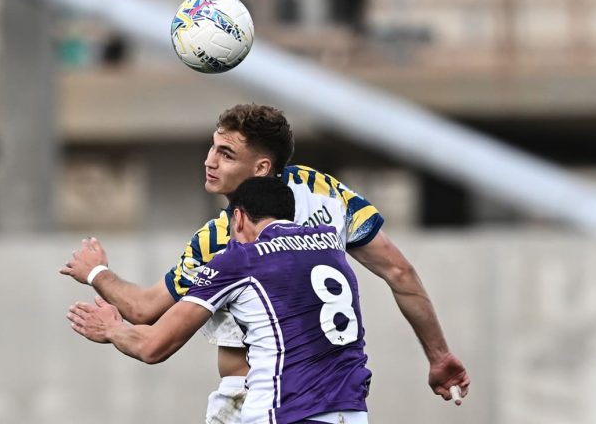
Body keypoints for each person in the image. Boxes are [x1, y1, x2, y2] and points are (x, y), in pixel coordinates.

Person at [61, 103, 469, 423]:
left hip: (263, 399)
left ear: (261, 168)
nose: (210, 161)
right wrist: (438, 355)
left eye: (225, 154)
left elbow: (145, 314)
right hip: (345, 401)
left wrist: (96, 273)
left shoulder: (226, 244)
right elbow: (399, 272)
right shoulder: (323, 194)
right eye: (212, 148)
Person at [68, 177, 373, 423]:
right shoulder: (331, 247)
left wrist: (111, 328)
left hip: (288, 412)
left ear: (237, 217)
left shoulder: (241, 259)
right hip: (353, 412)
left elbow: (152, 346)